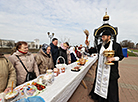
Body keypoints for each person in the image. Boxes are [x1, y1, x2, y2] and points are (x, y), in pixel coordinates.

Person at [87, 30, 124, 102]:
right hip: (101, 70)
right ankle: (100, 98)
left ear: (109, 37)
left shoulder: (116, 45)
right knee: (99, 84)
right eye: (101, 37)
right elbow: (92, 50)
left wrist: (113, 58)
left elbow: (121, 56)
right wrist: (88, 46)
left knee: (111, 87)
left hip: (111, 71)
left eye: (103, 37)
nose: (102, 39)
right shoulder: (100, 45)